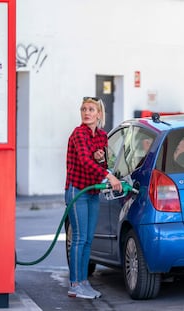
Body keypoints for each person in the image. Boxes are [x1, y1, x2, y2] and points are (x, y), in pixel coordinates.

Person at [65, 96, 122, 299]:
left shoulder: (102, 136)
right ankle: (74, 284)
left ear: (99, 114)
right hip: (77, 190)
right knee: (79, 239)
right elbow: (84, 161)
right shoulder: (79, 133)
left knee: (88, 239)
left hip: (92, 192)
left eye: (91, 109)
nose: (86, 113)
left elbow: (103, 161)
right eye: (83, 109)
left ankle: (84, 282)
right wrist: (108, 175)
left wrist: (102, 159)